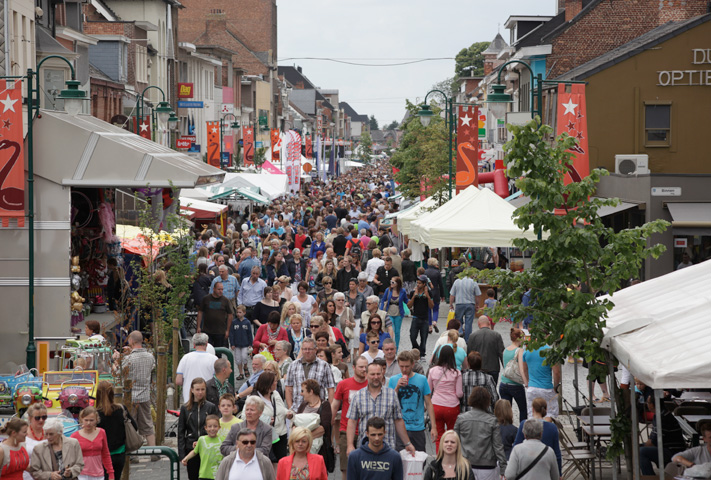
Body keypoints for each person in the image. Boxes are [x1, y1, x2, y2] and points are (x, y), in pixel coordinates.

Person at [346, 363, 416, 457]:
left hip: (387, 447)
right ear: (366, 375)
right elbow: (352, 422)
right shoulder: (358, 396)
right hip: (365, 447)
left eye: (378, 374)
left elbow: (398, 420)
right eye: (372, 374)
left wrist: (407, 443)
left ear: (382, 374)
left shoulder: (391, 394)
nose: (376, 377)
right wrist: (350, 445)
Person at [454, 387, 507, 480]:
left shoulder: (461, 419)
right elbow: (498, 446)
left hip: (465, 464)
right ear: (487, 401)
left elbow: (455, 442)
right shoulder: (492, 421)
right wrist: (503, 468)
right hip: (487, 466)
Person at [114, 330, 156, 447]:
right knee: (148, 424)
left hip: (130, 396)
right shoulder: (150, 356)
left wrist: (116, 361)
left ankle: (133, 454)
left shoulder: (128, 359)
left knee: (131, 425)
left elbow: (117, 373)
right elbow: (152, 367)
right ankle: (154, 451)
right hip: (145, 395)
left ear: (131, 341)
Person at [388, 350, 437, 452]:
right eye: (401, 366)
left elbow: (428, 403)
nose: (404, 369)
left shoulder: (422, 379)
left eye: (407, 366)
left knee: (420, 460)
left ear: (413, 364)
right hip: (400, 428)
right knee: (400, 460)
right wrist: (397, 387)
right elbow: (389, 403)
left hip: (418, 428)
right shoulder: (393, 380)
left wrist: (433, 426)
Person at [331, 356, 368, 480]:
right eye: (361, 367)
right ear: (353, 368)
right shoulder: (344, 384)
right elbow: (335, 404)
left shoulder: (372, 384)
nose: (364, 369)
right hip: (346, 430)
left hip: (367, 432)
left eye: (366, 367)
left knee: (365, 468)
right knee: (346, 468)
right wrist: (329, 423)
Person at [178, 377, 219, 480]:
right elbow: (181, 431)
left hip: (208, 447)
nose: (200, 392)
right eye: (197, 389)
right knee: (193, 476)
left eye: (203, 389)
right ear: (192, 390)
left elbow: (216, 427)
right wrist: (182, 454)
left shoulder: (211, 407)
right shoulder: (185, 408)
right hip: (191, 447)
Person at [96, 381, 137, 478]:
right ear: (112, 393)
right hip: (119, 453)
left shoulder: (95, 414)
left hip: (102, 456)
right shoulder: (121, 409)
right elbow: (134, 426)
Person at [512, 397, 562, 476]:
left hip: (526, 464)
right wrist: (559, 473)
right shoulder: (552, 428)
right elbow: (557, 454)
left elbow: (516, 445)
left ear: (533, 409)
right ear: (546, 410)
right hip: (545, 466)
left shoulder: (524, 424)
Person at [638, 395, 686, 476]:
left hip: (672, 451)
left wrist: (639, 446)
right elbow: (653, 439)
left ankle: (650, 477)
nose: (647, 404)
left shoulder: (662, 417)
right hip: (665, 448)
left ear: (652, 405)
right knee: (640, 449)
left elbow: (653, 442)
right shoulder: (660, 414)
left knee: (641, 452)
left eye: (648, 402)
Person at [248, 371, 288, 466]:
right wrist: (265, 420)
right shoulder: (253, 398)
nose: (276, 383)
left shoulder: (275, 394)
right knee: (266, 463)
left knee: (280, 462)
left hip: (280, 433)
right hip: (264, 435)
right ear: (268, 384)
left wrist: (289, 413)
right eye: (274, 381)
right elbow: (247, 417)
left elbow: (281, 409)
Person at [428, 345, 463, 452]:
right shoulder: (456, 373)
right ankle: (451, 457)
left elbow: (428, 391)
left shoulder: (432, 371)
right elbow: (459, 393)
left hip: (436, 406)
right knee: (452, 435)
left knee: (439, 436)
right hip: (452, 407)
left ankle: (440, 458)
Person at [289, 380, 333, 465]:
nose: (301, 393)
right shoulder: (303, 404)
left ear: (311, 392)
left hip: (319, 449)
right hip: (301, 450)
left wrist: (302, 437)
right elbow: (296, 422)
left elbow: (324, 428)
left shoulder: (325, 405)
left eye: (303, 391)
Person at [284, 338, 336, 409]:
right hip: (297, 409)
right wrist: (290, 407)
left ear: (315, 350)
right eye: (305, 349)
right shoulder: (293, 365)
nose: (307, 351)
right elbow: (288, 388)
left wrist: (328, 409)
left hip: (317, 410)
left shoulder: (324, 365)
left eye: (310, 349)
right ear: (302, 350)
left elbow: (331, 388)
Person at [71, 406, 114, 480]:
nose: (88, 423)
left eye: (91, 420)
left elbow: (105, 454)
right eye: (86, 420)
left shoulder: (102, 432)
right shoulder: (74, 436)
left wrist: (110, 472)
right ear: (81, 420)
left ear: (96, 420)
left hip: (99, 473)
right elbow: (70, 457)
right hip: (81, 474)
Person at [176, 333, 218, 404]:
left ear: (194, 344)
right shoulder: (214, 359)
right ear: (207, 344)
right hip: (207, 399)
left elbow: (178, 381)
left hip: (189, 399)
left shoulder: (185, 358)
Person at [521, 345, 561, 418]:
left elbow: (524, 370)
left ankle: (534, 429)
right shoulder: (551, 351)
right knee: (550, 414)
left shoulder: (527, 350)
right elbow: (556, 372)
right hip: (546, 388)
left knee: (532, 415)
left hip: (532, 388)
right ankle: (547, 428)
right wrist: (556, 386)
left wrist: (528, 382)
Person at [180, 415, 223, 480]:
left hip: (219, 474)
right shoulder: (201, 440)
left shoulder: (223, 440)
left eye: (215, 426)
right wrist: (186, 458)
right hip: (204, 474)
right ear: (205, 428)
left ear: (219, 427)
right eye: (209, 426)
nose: (212, 429)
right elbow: (195, 451)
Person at [499, 327, 527, 421]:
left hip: (503, 384)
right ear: (519, 338)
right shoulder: (519, 351)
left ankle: (506, 431)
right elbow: (521, 369)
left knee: (506, 411)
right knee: (523, 409)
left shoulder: (505, 350)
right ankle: (522, 432)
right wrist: (526, 382)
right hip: (515, 385)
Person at [466, 316, 504, 384]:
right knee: (492, 390)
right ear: (489, 323)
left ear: (478, 323)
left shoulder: (472, 336)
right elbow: (501, 353)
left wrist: (468, 368)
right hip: (493, 367)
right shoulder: (496, 335)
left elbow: (469, 353)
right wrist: (506, 368)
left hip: (477, 368)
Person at [197, 281, 233, 348]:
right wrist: (198, 326)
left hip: (220, 331)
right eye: (219, 289)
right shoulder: (206, 299)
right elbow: (200, 312)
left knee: (218, 352)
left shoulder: (225, 300)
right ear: (214, 289)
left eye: (222, 289)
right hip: (207, 330)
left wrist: (228, 330)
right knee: (208, 349)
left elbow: (230, 315)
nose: (221, 291)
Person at [448, 274, 481, 342]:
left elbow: (452, 294)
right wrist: (477, 304)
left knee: (458, 321)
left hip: (459, 303)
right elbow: (477, 295)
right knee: (468, 323)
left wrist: (451, 304)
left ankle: (460, 334)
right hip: (470, 304)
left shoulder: (457, 281)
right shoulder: (473, 282)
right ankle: (467, 340)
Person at [408, 275, 434, 358]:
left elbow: (431, 306)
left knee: (424, 338)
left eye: (419, 283)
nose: (418, 285)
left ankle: (422, 354)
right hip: (415, 318)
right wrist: (414, 296)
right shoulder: (413, 292)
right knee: (412, 336)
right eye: (417, 283)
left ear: (424, 284)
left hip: (425, 319)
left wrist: (427, 296)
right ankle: (416, 349)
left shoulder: (428, 293)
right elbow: (409, 306)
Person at [379, 276, 407, 348]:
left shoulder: (402, 291)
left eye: (393, 282)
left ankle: (396, 348)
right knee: (391, 330)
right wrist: (381, 310)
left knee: (397, 332)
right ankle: (389, 346)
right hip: (389, 313)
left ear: (397, 284)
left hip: (398, 314)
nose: (391, 283)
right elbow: (383, 300)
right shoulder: (388, 290)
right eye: (391, 281)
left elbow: (406, 301)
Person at [22, 404, 48, 480]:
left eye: (44, 417)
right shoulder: (22, 434)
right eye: (37, 418)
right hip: (27, 475)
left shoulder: (49, 432)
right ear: (29, 418)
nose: (41, 420)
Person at [229, 304, 253, 380]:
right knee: (238, 359)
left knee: (244, 357)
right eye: (237, 312)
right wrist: (232, 343)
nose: (238, 314)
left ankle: (245, 367)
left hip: (245, 344)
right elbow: (231, 333)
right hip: (237, 344)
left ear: (244, 313)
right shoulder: (234, 322)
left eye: (240, 312)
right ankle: (241, 373)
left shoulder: (247, 322)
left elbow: (249, 333)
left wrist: (250, 344)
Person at [424, 258, 444, 332]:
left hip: (427, 292)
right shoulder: (437, 272)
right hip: (436, 292)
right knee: (435, 308)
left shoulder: (425, 272)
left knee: (428, 309)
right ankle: (434, 321)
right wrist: (442, 295)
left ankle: (429, 326)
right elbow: (441, 284)